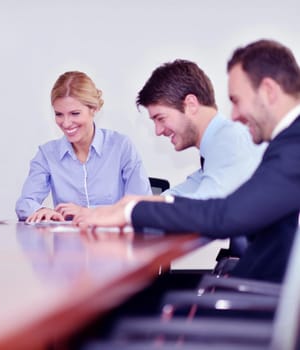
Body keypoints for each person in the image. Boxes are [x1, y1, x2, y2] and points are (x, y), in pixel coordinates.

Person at [74, 39, 300, 283]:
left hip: (256, 300)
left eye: (236, 100)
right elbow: (189, 192)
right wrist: (115, 209)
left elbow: (219, 211)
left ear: (269, 91)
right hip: (256, 287)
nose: (234, 115)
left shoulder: (288, 146)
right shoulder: (281, 143)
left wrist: (131, 211)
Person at [15, 71, 151, 223]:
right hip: (67, 245)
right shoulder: (47, 154)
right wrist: (40, 210)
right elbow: (24, 203)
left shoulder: (121, 147)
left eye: (75, 113)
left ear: (93, 109)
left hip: (114, 242)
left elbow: (142, 205)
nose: (66, 123)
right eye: (59, 114)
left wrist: (88, 212)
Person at [137, 59, 264, 199]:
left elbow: (202, 210)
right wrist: (133, 207)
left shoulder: (231, 144)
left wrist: (132, 212)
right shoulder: (215, 149)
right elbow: (185, 191)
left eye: (161, 118)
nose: (158, 131)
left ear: (191, 105)